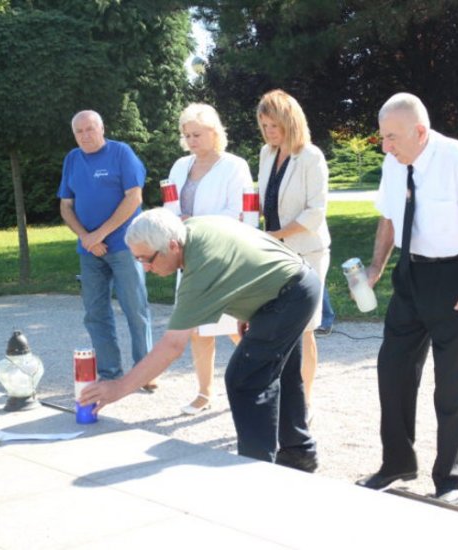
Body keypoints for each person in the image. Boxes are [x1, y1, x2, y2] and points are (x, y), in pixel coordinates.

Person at [79, 208, 321, 471]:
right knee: (281, 372)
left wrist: (119, 388)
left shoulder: (199, 268)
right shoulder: (188, 229)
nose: (145, 268)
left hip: (289, 294)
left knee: (246, 379)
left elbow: (173, 346)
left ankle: (256, 470)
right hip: (292, 283)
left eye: (146, 259)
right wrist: (255, 303)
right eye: (138, 260)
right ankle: (299, 454)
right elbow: (244, 253)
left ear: (172, 246)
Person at [355, 93, 458, 505]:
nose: (385, 145)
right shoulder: (393, 162)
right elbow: (388, 217)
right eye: (383, 136)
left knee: (451, 382)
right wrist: (376, 268)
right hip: (410, 274)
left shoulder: (457, 158)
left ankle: (449, 478)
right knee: (393, 368)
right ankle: (397, 463)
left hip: (455, 276)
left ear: (420, 132)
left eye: (392, 137)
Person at [167, 103, 253, 415]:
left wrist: (197, 222)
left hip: (221, 254)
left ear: (214, 133)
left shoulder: (234, 166)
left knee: (232, 324)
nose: (191, 140)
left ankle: (260, 377)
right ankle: (204, 393)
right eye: (187, 135)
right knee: (197, 328)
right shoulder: (180, 166)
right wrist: (177, 222)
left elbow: (239, 210)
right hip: (187, 256)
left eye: (197, 134)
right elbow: (169, 205)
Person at [57, 110, 152, 382]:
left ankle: (145, 372)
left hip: (125, 246)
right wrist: (87, 238)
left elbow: (133, 198)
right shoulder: (72, 159)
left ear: (102, 128)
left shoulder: (121, 153)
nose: (85, 136)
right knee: (95, 313)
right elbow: (66, 206)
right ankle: (110, 373)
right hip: (89, 250)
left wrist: (99, 234)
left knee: (135, 308)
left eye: (90, 129)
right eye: (79, 132)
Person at [256, 89, 331, 415]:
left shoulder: (311, 156)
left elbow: (315, 212)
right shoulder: (266, 154)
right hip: (272, 251)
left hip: (306, 252)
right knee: (272, 324)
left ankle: (305, 400)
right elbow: (264, 201)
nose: (270, 132)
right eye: (264, 125)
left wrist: (276, 235)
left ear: (290, 121)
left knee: (304, 328)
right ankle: (277, 390)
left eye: (275, 125)